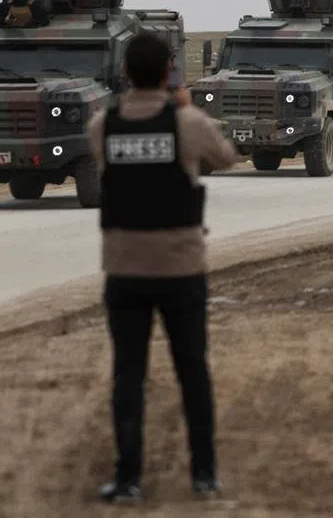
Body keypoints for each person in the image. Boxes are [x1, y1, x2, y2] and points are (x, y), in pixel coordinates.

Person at [87, 33, 241, 504]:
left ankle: (129, 477)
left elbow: (112, 172)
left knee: (128, 374)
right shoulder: (187, 122)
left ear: (126, 71)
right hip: (179, 266)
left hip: (125, 267)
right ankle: (204, 474)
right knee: (192, 370)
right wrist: (185, 108)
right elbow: (227, 158)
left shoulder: (103, 125)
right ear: (169, 70)